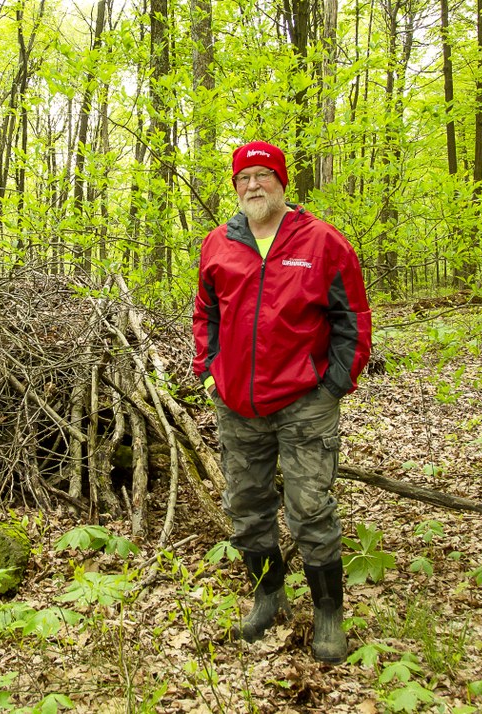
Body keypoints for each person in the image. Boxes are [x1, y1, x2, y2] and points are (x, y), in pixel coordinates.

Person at [192, 141, 372, 664]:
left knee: (310, 509)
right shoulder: (218, 245)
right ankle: (268, 595)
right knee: (246, 508)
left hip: (304, 402)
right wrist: (210, 370)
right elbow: (207, 315)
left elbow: (353, 321)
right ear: (235, 186)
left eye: (263, 175)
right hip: (237, 404)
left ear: (282, 182)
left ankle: (328, 613)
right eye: (244, 177)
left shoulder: (322, 242)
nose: (253, 185)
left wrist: (334, 384)